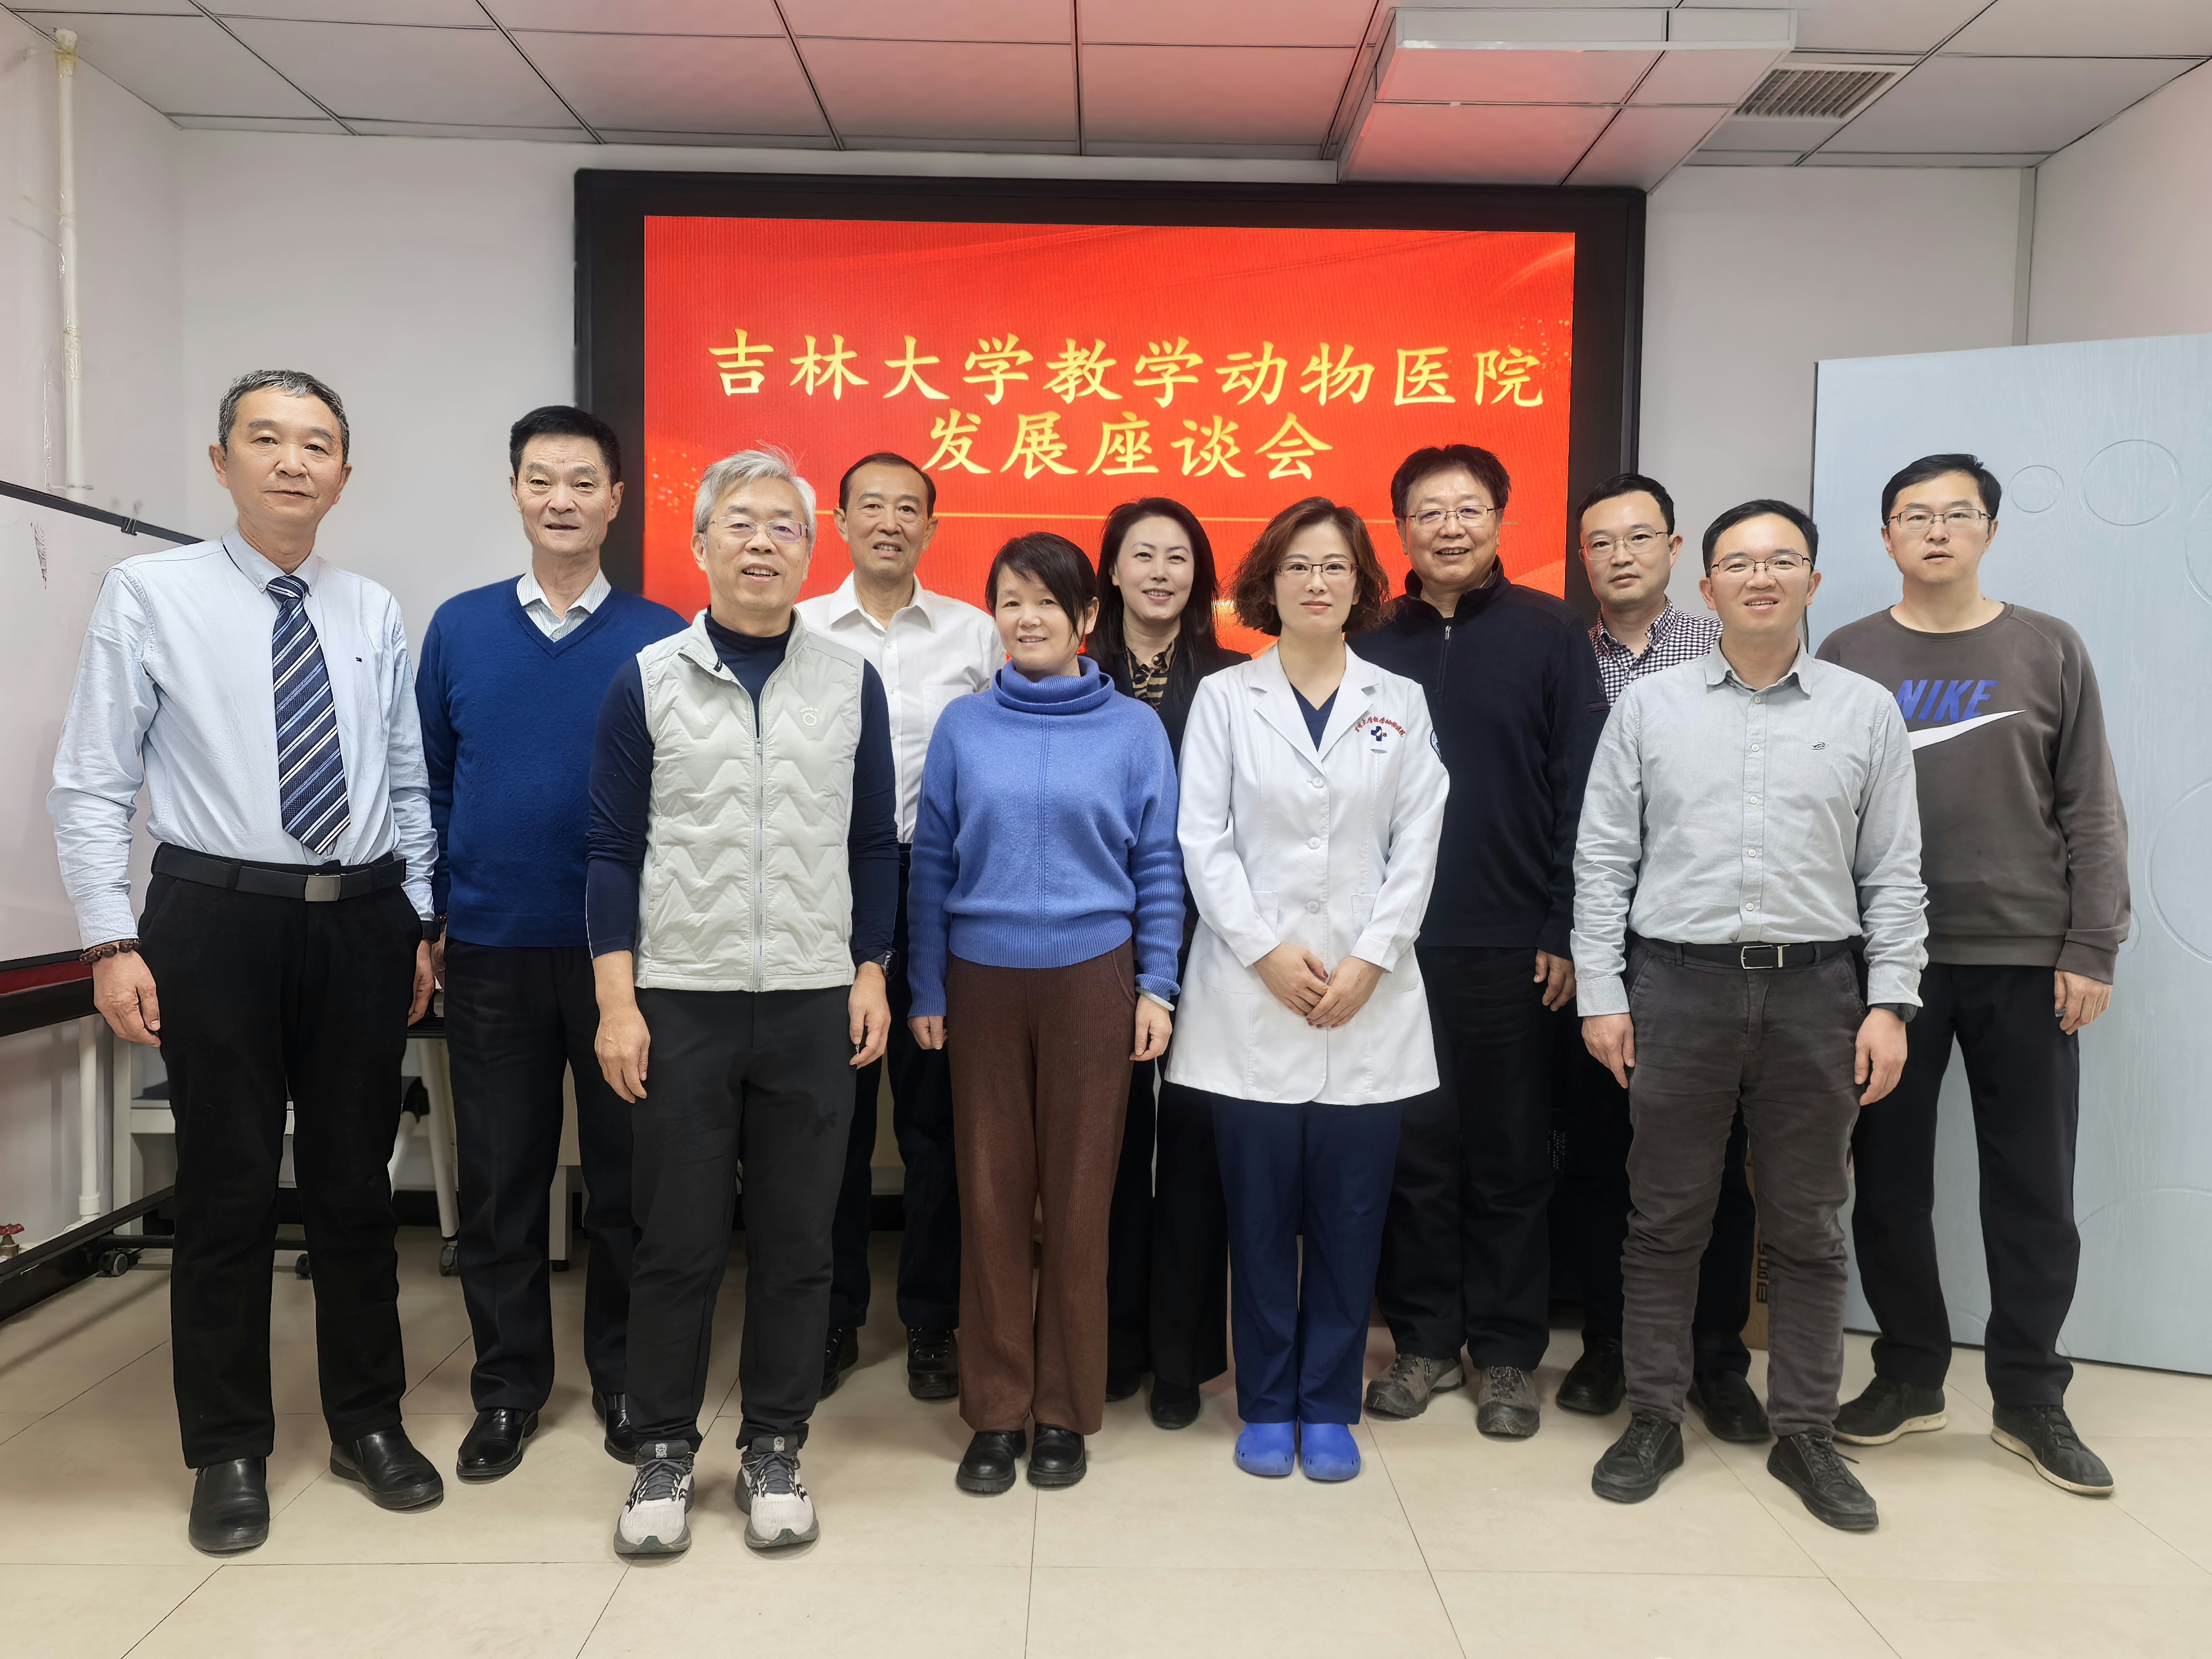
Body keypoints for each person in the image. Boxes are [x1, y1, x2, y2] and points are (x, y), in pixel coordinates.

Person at [51, 369, 442, 1554]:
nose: (291, 461)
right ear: (222, 463)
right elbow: (94, 780)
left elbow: (406, 780)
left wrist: (418, 921)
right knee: (225, 1190)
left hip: (362, 920)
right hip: (214, 918)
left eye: (316, 445)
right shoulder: (150, 593)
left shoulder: (371, 608)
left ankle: (368, 1420)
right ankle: (227, 1448)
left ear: (343, 475)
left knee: (353, 1187)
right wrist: (110, 939)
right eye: (266, 440)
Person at [1574, 498, 1926, 1533]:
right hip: (1676, 988)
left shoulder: (1866, 711)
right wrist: (1603, 994)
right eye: (1739, 563)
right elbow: (1603, 860)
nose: (1760, 578)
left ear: (1813, 581)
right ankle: (1653, 1416)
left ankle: (1804, 1432)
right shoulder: (1651, 708)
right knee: (1665, 1219)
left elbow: (1894, 872)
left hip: (1820, 995)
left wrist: (1891, 1003)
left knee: (1810, 1227)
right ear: (1708, 585)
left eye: (1782, 562)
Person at [586, 448, 898, 1557]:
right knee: (675, 1241)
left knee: (799, 1240)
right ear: (701, 543)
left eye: (783, 526)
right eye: (741, 523)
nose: (762, 541)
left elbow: (873, 842)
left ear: (810, 549)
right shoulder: (647, 677)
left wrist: (870, 970)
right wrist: (618, 1004)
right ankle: (663, 1451)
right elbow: (610, 849)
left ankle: (775, 1444)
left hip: (813, 999)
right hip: (682, 998)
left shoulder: (849, 680)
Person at [1818, 454, 2128, 1498]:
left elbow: (2090, 805)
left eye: (1958, 514)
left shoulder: (2048, 647)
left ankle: (2031, 1396)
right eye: (1916, 515)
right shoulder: (1848, 653)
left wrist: (2092, 944)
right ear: (1887, 536)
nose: (1938, 530)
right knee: (1888, 1185)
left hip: (2026, 959)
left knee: (2033, 1186)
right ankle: (1910, 1375)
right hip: (1888, 968)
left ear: (1989, 530)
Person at [415, 406, 685, 1482]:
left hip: (629, 959)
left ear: (617, 499)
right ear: (517, 492)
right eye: (541, 480)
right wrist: (431, 919)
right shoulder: (460, 628)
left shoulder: (664, 635)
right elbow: (431, 785)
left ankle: (623, 1380)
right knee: (500, 1184)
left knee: (630, 1186)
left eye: (583, 481)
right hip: (491, 946)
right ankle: (507, 1389)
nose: (561, 499)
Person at [1170, 499, 1449, 1482]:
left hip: (1369, 1000)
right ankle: (1266, 1401)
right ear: (1268, 584)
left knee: (1350, 1216)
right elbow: (1202, 840)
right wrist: (1265, 953)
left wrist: (1373, 958)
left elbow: (1419, 842)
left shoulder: (1399, 701)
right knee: (1256, 1219)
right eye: (1298, 566)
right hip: (1252, 998)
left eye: (1335, 566)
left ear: (1362, 584)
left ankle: (1328, 1404)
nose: (1317, 582)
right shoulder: (1225, 699)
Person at [906, 532, 1183, 1495]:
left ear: (1087, 618)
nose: (1026, 620)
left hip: (1095, 981)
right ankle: (995, 1412)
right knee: (988, 1200)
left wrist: (1158, 986)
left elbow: (1158, 864)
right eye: (1010, 602)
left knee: (1080, 1203)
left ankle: (1064, 1408)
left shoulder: (1135, 731)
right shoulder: (963, 726)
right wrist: (927, 987)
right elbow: (932, 862)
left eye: (1046, 604)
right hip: (980, 982)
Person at [1357, 444, 1607, 1435]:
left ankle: (1506, 1354)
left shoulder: (1552, 631)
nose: (1449, 527)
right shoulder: (1371, 641)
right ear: (1402, 529)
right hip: (1395, 945)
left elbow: (1581, 790)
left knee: (1510, 1157)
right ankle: (1424, 1341)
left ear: (1501, 520)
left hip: (1513, 944)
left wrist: (1562, 922)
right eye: (1429, 511)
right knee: (1416, 1153)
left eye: (1468, 508)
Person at [1554, 472, 1765, 1445]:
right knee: (1605, 1157)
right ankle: (1611, 1344)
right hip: (1603, 944)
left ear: (1677, 552)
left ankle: (1716, 1357)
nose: (1621, 556)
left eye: (1641, 537)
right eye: (1601, 542)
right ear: (1582, 557)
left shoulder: (1727, 653)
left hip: (1708, 947)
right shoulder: (1565, 656)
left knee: (1719, 1165)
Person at [797, 452, 1001, 1405]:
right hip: (821, 888)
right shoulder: (798, 628)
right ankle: (833, 1314)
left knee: (936, 1123)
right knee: (828, 1121)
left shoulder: (976, 634)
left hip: (940, 888)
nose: (889, 522)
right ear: (838, 522)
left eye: (908, 508)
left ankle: (932, 1319)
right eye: (870, 506)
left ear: (931, 526)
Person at [1089, 496, 1247, 1427]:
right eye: (1141, 555)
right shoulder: (1073, 674)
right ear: (1110, 571)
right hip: (1095, 944)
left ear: (1200, 576)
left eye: (1178, 557)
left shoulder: (1236, 681)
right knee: (1107, 1150)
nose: (1159, 572)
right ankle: (1113, 1341)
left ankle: (1183, 1355)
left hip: (1212, 938)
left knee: (1195, 1150)